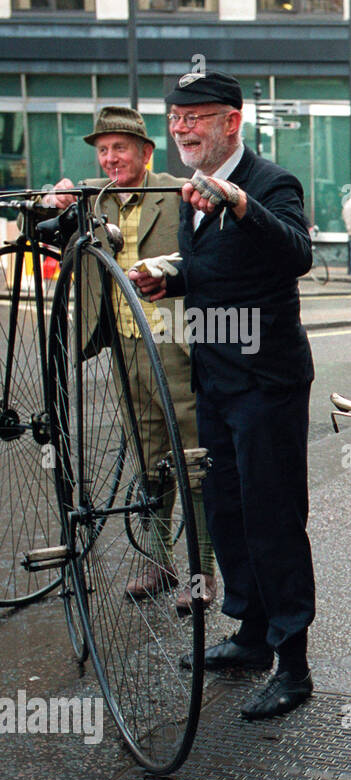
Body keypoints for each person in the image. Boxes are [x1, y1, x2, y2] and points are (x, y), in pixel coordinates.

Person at [130, 69, 318, 720]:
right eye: (175, 118)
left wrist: (240, 204)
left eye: (194, 118)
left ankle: (293, 664)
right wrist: (167, 277)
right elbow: (213, 271)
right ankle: (251, 635)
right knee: (229, 514)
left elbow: (297, 254)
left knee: (274, 519)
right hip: (213, 376)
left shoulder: (271, 184)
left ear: (231, 122)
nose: (180, 128)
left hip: (267, 382)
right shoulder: (190, 194)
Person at [43, 105, 216, 612]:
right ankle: (159, 560)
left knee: (192, 459)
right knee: (149, 455)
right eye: (104, 150)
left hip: (174, 342)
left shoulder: (175, 191)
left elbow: (207, 254)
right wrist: (51, 201)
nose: (111, 158)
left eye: (121, 148)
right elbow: (51, 234)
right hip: (123, 344)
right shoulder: (92, 200)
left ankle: (202, 571)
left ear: (145, 152)